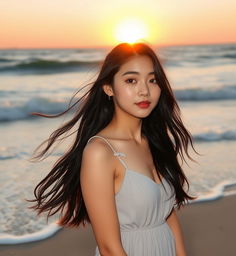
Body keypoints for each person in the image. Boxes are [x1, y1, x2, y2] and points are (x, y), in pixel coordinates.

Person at [27, 42, 199, 256]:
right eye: (131, 80)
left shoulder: (155, 142)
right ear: (109, 88)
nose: (144, 90)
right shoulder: (100, 152)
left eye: (152, 80)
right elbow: (109, 248)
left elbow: (166, 212)